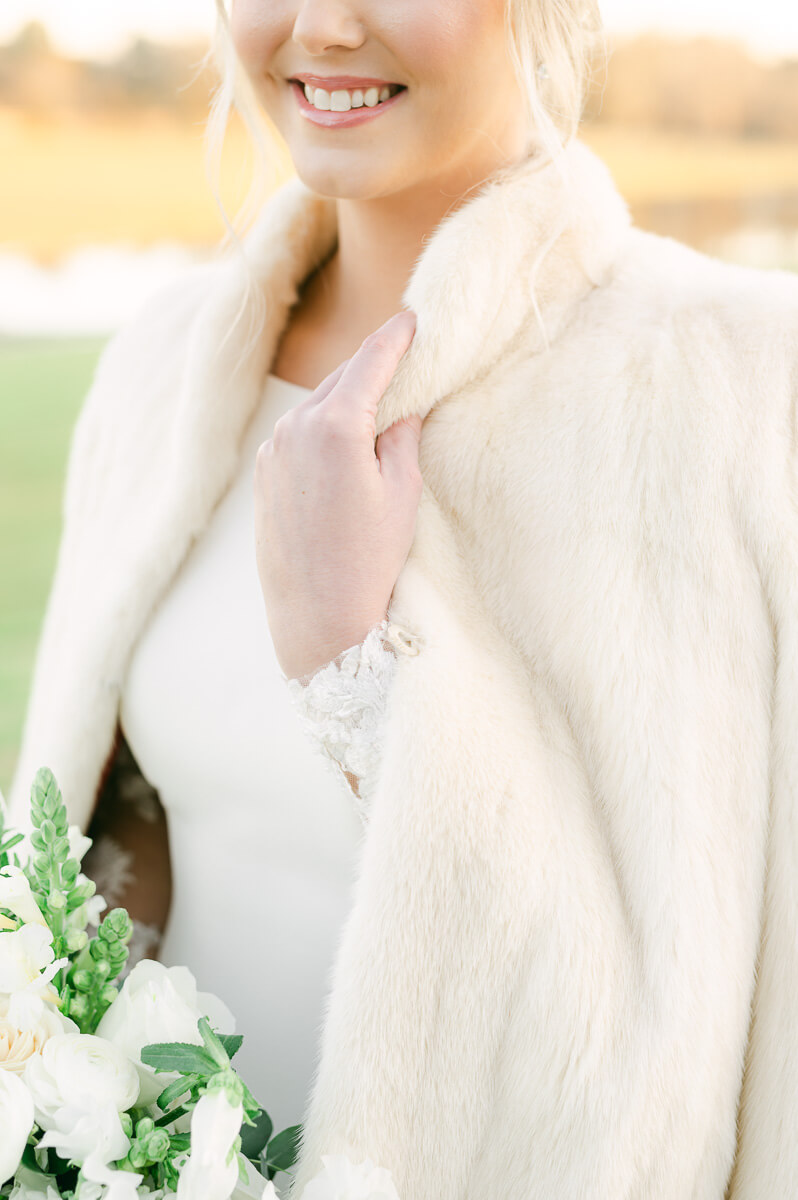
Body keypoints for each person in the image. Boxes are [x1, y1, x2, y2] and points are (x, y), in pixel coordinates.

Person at [7, 0, 798, 1197]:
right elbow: (92, 874)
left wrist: (350, 665)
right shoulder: (161, 370)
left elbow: (674, 1067)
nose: (323, 26)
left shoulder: (732, 387)